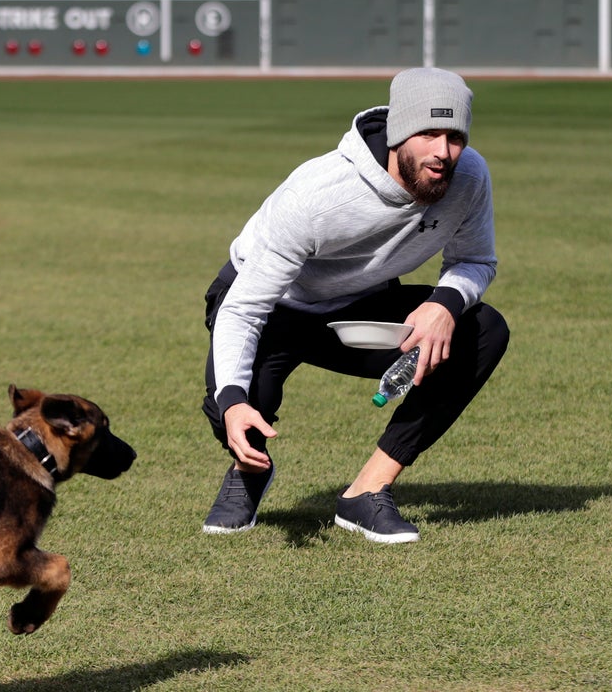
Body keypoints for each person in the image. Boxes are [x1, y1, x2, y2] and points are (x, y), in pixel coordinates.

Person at [200, 67, 510, 544]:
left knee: (482, 329)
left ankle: (366, 492)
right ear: (400, 132)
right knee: (239, 403)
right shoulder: (316, 195)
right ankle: (249, 470)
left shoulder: (469, 177)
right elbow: (244, 310)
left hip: (356, 308)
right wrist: (232, 403)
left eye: (455, 136)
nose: (443, 153)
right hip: (271, 306)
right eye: (428, 133)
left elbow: (474, 260)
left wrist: (445, 303)